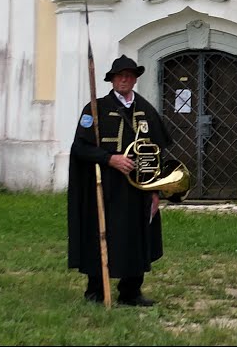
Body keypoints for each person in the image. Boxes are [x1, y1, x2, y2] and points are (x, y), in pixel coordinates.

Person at [67, 54, 169, 307]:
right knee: (100, 233)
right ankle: (95, 289)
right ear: (112, 80)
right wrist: (109, 158)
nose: (124, 79)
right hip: (105, 188)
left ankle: (131, 291)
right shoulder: (95, 109)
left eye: (129, 75)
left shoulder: (146, 110)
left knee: (136, 236)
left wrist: (155, 190)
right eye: (120, 75)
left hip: (138, 189)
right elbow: (80, 148)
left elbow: (158, 151)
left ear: (135, 79)